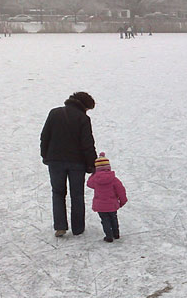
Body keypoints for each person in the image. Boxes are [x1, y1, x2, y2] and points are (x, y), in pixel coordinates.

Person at [40, 92, 98, 237]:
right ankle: (78, 228)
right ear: (84, 105)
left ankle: (60, 227)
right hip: (77, 163)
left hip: (55, 161)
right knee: (77, 195)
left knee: (58, 193)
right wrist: (92, 164)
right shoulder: (83, 118)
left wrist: (45, 155)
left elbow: (44, 136)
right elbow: (87, 144)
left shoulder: (54, 113)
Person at [87, 153, 127, 242]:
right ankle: (116, 234)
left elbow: (89, 184)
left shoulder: (95, 179)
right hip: (112, 205)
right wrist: (122, 201)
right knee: (113, 218)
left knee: (105, 220)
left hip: (100, 206)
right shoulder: (114, 179)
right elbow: (121, 190)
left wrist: (93, 174)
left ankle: (108, 236)